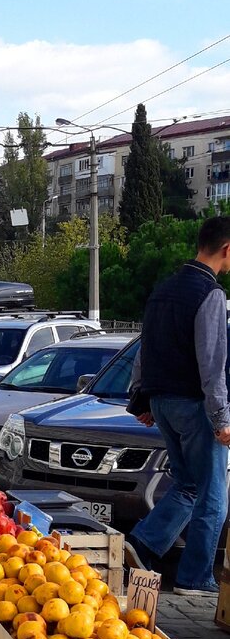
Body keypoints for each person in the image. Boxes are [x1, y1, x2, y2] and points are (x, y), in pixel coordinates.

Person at [128, 216, 230, 597]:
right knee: (212, 492)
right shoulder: (210, 294)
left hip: (163, 403)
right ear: (226, 249)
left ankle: (141, 545)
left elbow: (144, 350)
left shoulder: (164, 289)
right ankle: (196, 577)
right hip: (194, 405)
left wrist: (143, 396)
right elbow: (212, 362)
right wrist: (222, 419)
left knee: (187, 484)